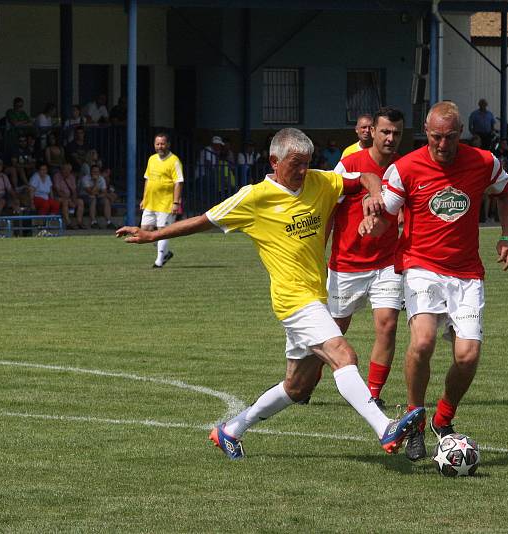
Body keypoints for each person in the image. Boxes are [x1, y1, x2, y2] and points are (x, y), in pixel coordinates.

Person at [116, 127, 425, 460]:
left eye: (308, 163)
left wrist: (375, 192)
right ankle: (384, 428)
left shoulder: (321, 181)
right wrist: (153, 235)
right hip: (293, 301)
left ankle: (230, 430)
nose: (303, 171)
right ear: (274, 161)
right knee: (343, 355)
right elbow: (204, 220)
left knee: (297, 386)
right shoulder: (253, 198)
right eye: (296, 164)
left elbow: (363, 176)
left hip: (315, 296)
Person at [358, 101, 508, 461]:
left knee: (468, 355)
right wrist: (373, 224)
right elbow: (388, 215)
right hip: (421, 266)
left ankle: (443, 419)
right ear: (425, 133)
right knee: (424, 341)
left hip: (466, 272)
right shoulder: (406, 168)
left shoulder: (483, 162)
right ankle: (415, 418)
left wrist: (507, 236)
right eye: (435, 137)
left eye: (449, 137)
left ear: (460, 132)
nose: (442, 145)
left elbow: (507, 194)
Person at [330, 106, 405, 408]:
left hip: (387, 263)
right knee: (332, 332)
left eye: (397, 133)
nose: (390, 138)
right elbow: (326, 210)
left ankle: (372, 395)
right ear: (372, 131)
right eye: (385, 131)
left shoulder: (404, 168)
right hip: (347, 263)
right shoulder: (348, 164)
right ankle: (301, 381)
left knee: (387, 325)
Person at [140, 133, 184, 268]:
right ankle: (165, 252)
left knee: (162, 230)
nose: (160, 146)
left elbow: (178, 182)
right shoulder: (151, 159)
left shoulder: (174, 160)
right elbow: (147, 179)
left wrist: (176, 202)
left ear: (168, 144)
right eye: (157, 144)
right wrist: (144, 198)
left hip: (166, 202)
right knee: (145, 231)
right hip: (151, 202)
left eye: (162, 144)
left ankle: (159, 261)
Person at [79, 164, 114, 228]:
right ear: (90, 172)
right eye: (94, 172)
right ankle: (93, 222)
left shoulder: (101, 179)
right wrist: (96, 182)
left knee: (106, 200)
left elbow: (104, 192)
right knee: (93, 199)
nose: (95, 173)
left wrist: (99, 194)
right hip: (84, 197)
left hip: (97, 196)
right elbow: (90, 192)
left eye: (97, 172)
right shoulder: (85, 179)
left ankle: (109, 222)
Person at [53, 163, 84, 229]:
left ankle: (79, 222)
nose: (67, 172)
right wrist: (68, 200)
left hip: (70, 198)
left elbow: (74, 191)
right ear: (62, 170)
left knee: (80, 201)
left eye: (69, 170)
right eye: (66, 169)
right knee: (65, 201)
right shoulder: (57, 176)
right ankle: (68, 223)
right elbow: (58, 191)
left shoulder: (71, 177)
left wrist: (74, 200)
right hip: (59, 197)